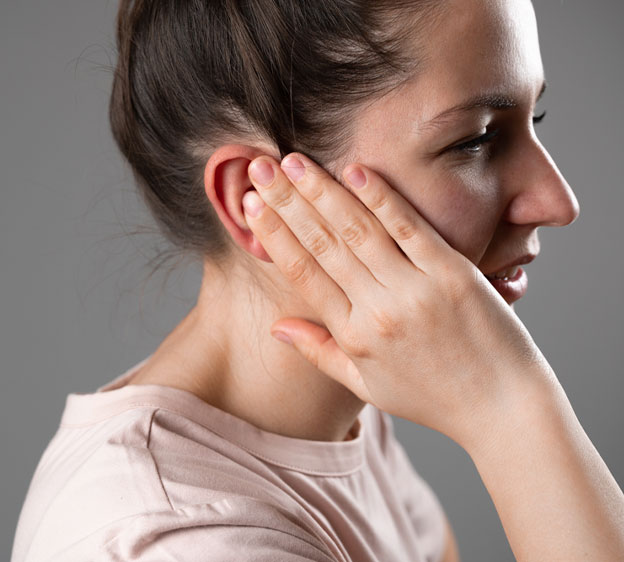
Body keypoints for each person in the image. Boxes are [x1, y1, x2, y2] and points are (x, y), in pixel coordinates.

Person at [11, 0, 624, 560]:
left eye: (534, 114)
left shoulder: (349, 420)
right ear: (258, 198)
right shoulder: (181, 541)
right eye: (477, 140)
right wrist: (508, 408)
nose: (557, 200)